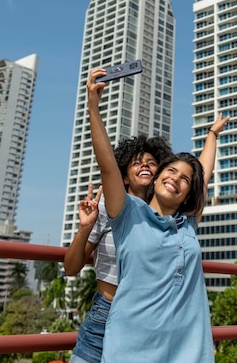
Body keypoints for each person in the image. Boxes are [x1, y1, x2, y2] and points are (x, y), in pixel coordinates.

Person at [87, 67, 229, 363]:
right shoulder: (128, 213)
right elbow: (108, 165)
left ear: (190, 193)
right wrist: (93, 107)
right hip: (131, 344)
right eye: (171, 171)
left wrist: (212, 135)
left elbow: (205, 171)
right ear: (157, 177)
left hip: (185, 348)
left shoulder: (187, 224)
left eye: (185, 179)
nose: (177, 179)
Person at [65, 131, 172, 363]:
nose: (145, 165)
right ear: (123, 177)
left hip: (146, 321)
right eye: (137, 163)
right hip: (106, 313)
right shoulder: (106, 208)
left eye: (152, 163)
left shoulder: (164, 218)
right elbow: (71, 268)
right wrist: (85, 227)